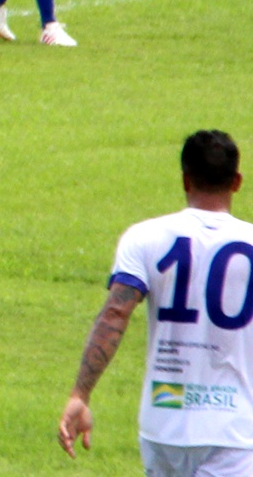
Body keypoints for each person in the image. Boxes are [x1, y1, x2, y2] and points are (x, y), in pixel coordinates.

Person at [59, 130, 253, 476]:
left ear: (185, 179)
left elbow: (115, 314)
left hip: (163, 421)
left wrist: (80, 394)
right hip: (234, 430)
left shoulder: (144, 238)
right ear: (237, 181)